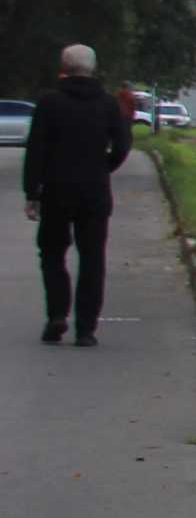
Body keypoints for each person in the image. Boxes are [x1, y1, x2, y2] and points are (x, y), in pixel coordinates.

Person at [25, 42, 132, 346]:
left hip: (56, 190)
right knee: (92, 257)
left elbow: (36, 150)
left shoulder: (49, 103)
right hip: (94, 191)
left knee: (52, 253)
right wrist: (104, 167)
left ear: (64, 67)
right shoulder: (108, 104)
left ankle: (58, 314)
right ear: (92, 68)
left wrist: (32, 192)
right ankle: (86, 328)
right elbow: (123, 144)